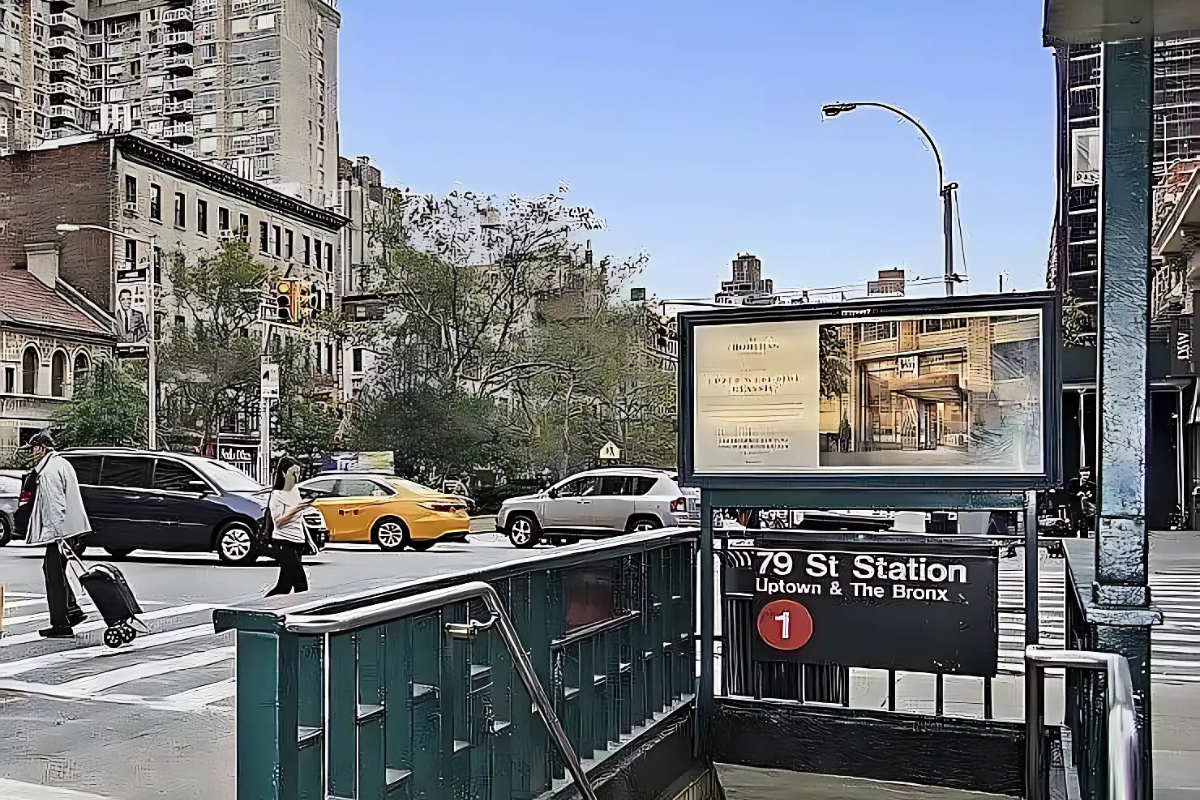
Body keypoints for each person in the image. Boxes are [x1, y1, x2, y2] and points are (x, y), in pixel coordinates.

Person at [24, 431, 91, 638]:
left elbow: (55, 506)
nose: (32, 453)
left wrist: (57, 536)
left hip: (61, 531)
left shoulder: (49, 472)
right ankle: (71, 611)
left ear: (42, 449)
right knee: (56, 571)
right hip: (69, 529)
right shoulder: (60, 464)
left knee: (53, 574)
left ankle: (61, 624)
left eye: (34, 449)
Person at [266, 456, 311, 597]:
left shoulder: (295, 491)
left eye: (299, 473)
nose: (297, 477)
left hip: (298, 541)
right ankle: (302, 614)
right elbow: (278, 521)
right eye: (293, 473)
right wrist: (296, 509)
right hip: (284, 543)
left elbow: (299, 520)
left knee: (284, 587)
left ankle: (260, 610)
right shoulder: (277, 495)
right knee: (301, 584)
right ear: (284, 473)